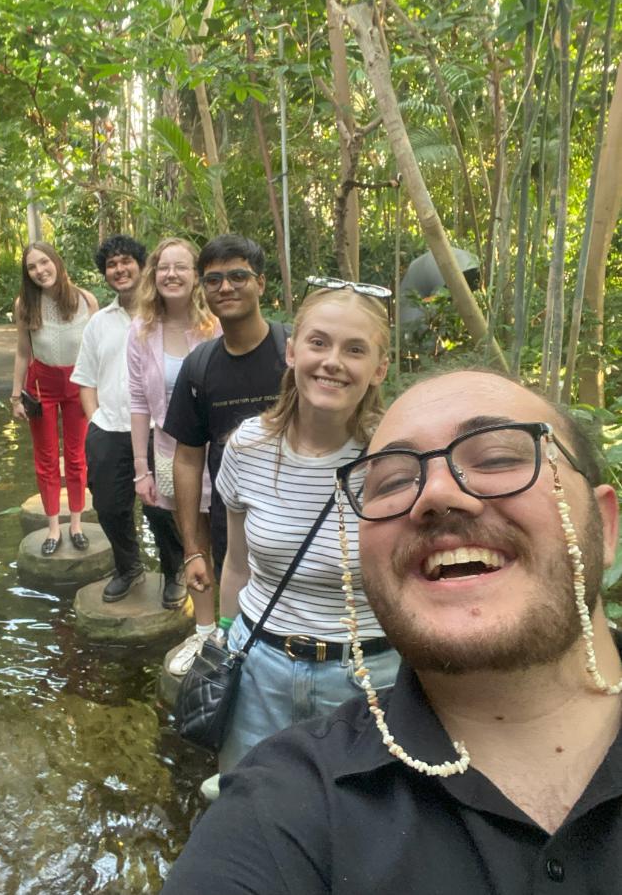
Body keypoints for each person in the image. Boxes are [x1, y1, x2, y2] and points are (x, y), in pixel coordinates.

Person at [162, 369, 622, 894]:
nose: (436, 494)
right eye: (394, 481)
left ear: (605, 527)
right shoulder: (283, 804)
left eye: (497, 458)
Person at [215, 282, 401, 774]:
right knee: (250, 805)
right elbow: (236, 564)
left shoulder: (398, 461)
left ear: (379, 369)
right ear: (292, 351)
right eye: (319, 342)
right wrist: (221, 636)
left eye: (355, 350)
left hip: (367, 676)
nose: (332, 361)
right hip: (258, 667)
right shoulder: (247, 447)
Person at [161, 234, 289, 676]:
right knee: (238, 623)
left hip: (298, 512)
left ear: (261, 284)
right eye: (214, 279)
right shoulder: (199, 366)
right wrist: (193, 551)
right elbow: (187, 459)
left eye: (238, 276)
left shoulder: (293, 354)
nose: (226, 287)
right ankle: (220, 648)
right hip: (230, 518)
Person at [73, 235, 170, 603]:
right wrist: (95, 420)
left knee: (163, 510)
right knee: (110, 508)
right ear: (105, 274)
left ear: (142, 266)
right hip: (109, 428)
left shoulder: (162, 317)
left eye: (126, 261)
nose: (119, 269)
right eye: (111, 265)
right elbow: (85, 379)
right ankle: (129, 568)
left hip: (158, 430)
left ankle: (174, 571)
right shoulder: (98, 322)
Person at [127, 237, 220, 610]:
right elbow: (137, 401)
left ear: (195, 276)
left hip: (221, 455)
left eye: (181, 267)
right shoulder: (141, 330)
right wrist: (140, 469)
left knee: (228, 545)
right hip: (171, 455)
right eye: (164, 267)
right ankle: (204, 629)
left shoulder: (215, 326)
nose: (171, 274)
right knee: (193, 548)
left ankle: (232, 630)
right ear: (154, 275)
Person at [10, 242, 98, 555]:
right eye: (32, 267)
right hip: (41, 385)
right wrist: (16, 396)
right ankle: (52, 527)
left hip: (78, 385)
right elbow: (23, 352)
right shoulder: (25, 304)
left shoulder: (86, 300)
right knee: (45, 458)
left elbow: (95, 352)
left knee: (76, 456)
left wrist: (100, 391)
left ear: (56, 262)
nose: (39, 271)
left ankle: (75, 523)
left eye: (44, 262)